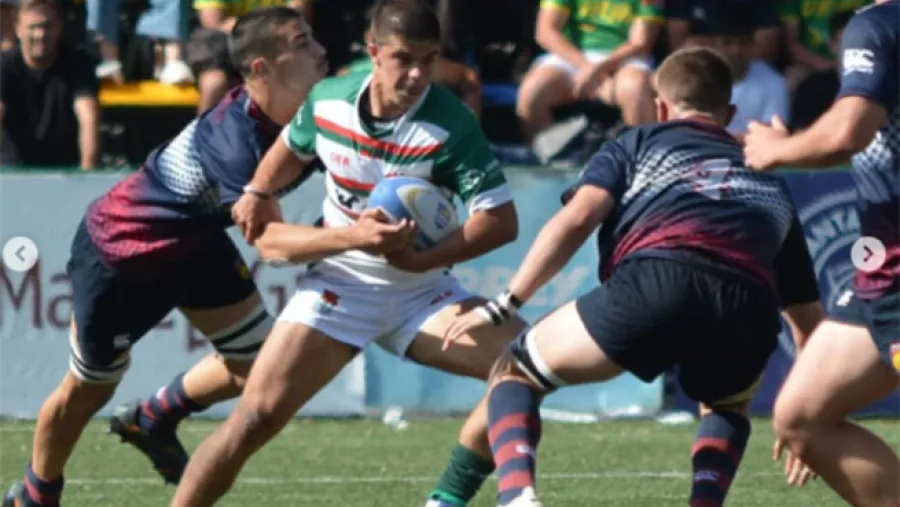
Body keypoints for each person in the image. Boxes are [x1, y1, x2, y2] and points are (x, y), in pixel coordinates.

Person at [0, 7, 399, 507]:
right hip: (123, 255)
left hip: (197, 245)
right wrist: (356, 237)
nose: (320, 51)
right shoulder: (233, 142)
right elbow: (272, 244)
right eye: (301, 43)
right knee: (90, 388)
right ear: (261, 69)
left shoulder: (308, 114)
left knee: (258, 364)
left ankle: (155, 416)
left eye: (314, 39)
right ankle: (36, 494)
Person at [169, 1, 524, 505]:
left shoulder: (451, 123)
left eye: (430, 58)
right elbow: (290, 150)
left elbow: (500, 222)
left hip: (424, 294)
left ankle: (446, 498)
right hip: (339, 287)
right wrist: (256, 190)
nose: (418, 73)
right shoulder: (328, 101)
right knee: (252, 420)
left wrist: (420, 260)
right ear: (374, 51)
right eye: (404, 58)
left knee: (526, 368)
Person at [437, 46, 824, 507]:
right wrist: (812, 421)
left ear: (660, 107)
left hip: (659, 281)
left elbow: (577, 219)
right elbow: (807, 325)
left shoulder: (637, 141)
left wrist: (507, 302)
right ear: (730, 112)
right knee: (726, 404)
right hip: (748, 307)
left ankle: (519, 496)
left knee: (516, 371)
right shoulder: (770, 180)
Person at [744, 1, 899, 505]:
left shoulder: (879, 23)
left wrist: (773, 150)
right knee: (804, 416)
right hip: (881, 277)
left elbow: (846, 132)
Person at [0, 0, 100, 170]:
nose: (40, 34)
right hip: (14, 170)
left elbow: (88, 118)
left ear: (59, 27)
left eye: (47, 26)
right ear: (18, 29)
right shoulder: (4, 66)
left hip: (65, 170)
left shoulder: (78, 63)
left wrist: (87, 173)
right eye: (33, 27)